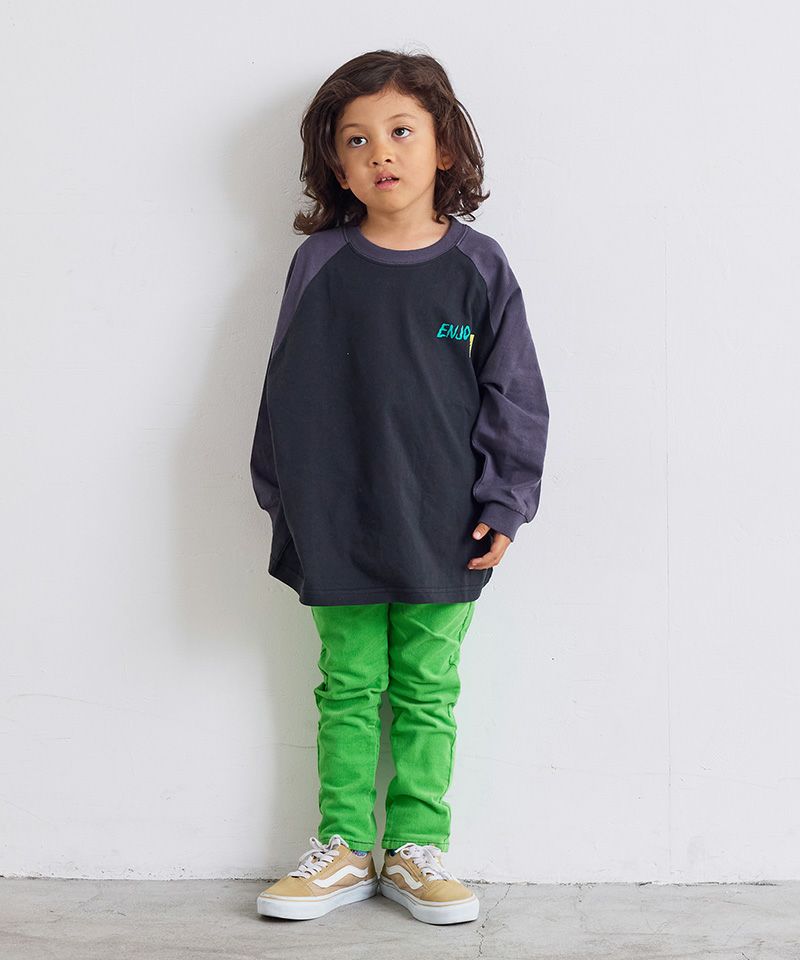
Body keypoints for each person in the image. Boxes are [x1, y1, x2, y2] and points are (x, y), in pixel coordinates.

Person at [251, 49, 549, 925]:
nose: (380, 151)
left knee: (426, 688)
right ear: (336, 166)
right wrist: (283, 502)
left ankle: (417, 848)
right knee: (347, 685)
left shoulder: (480, 266)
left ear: (444, 147)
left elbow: (515, 393)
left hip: (446, 524)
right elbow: (283, 391)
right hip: (335, 522)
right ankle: (344, 847)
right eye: (356, 139)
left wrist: (505, 501)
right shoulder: (319, 264)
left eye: (401, 131)